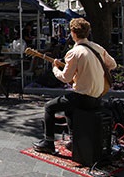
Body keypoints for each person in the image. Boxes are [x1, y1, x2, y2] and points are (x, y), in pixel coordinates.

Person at [33, 18, 117, 154]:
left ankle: (48, 142)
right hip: (98, 97)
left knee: (49, 107)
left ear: (73, 33)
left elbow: (65, 78)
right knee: (68, 107)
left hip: (83, 97)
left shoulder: (74, 52)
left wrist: (54, 68)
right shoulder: (97, 48)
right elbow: (113, 65)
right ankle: (73, 140)